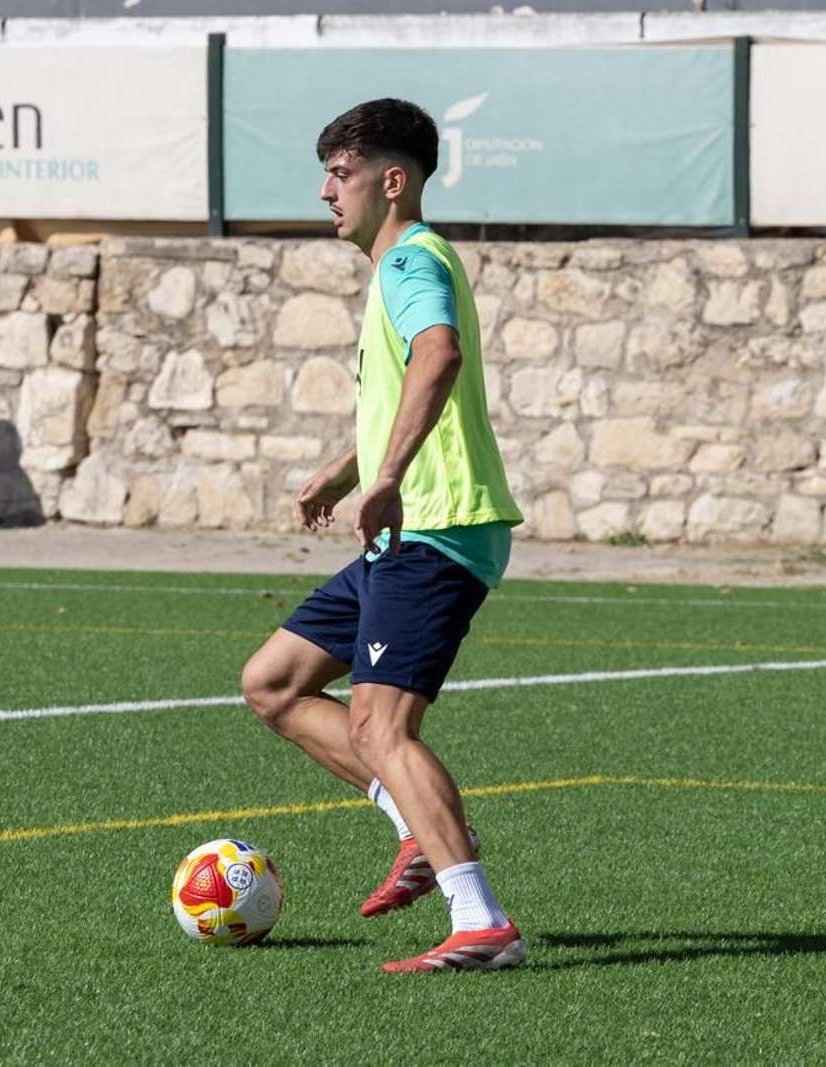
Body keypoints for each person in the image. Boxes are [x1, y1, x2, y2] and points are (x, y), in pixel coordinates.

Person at [240, 99, 527, 973]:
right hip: (407, 530)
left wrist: (390, 477)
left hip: (437, 526)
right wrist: (348, 471)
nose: (327, 192)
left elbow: (439, 355)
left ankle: (482, 921)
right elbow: (409, 389)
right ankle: (417, 825)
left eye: (342, 173)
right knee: (273, 683)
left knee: (379, 725)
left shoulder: (409, 259)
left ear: (391, 181)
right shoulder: (401, 265)